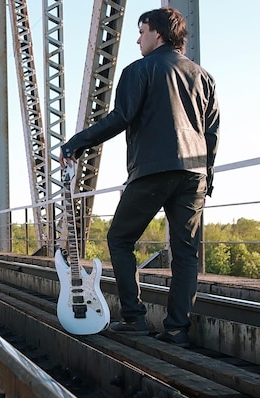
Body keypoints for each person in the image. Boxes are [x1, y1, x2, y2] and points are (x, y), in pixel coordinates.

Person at [59, 7, 219, 347]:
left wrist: (77, 142)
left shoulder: (139, 70)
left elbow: (120, 118)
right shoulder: (203, 76)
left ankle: (134, 318)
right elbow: (212, 132)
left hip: (153, 170)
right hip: (194, 175)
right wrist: (208, 177)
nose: (137, 38)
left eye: (142, 31)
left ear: (157, 34)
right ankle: (177, 329)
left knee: (119, 239)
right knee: (186, 252)